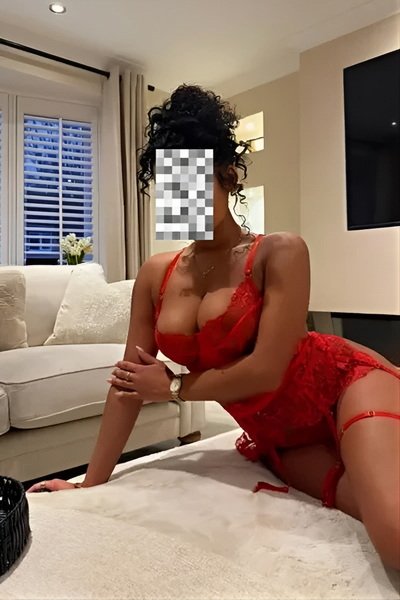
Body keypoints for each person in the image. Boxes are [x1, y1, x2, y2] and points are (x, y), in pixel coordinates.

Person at [28, 84, 400, 570]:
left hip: (342, 387)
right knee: (362, 504)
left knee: (393, 533)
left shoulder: (279, 251)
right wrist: (89, 482)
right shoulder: (156, 273)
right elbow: (129, 382)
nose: (182, 200)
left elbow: (267, 370)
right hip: (280, 437)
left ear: (227, 176)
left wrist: (174, 387)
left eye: (194, 184)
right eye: (170, 188)